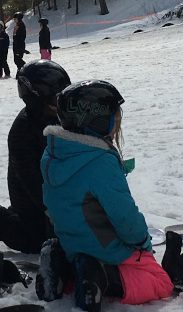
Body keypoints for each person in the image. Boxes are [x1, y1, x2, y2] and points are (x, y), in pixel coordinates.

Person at [38, 80, 173, 311]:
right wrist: (142, 242)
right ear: (98, 120)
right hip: (105, 248)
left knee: (82, 265)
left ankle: (63, 268)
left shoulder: (54, 154)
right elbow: (124, 217)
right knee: (160, 282)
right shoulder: (100, 161)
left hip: (72, 243)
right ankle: (104, 277)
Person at [0, 60, 71, 254]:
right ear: (37, 98)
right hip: (33, 205)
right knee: (39, 243)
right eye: (55, 100)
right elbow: (32, 183)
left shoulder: (63, 117)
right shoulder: (22, 132)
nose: (61, 104)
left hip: (55, 196)